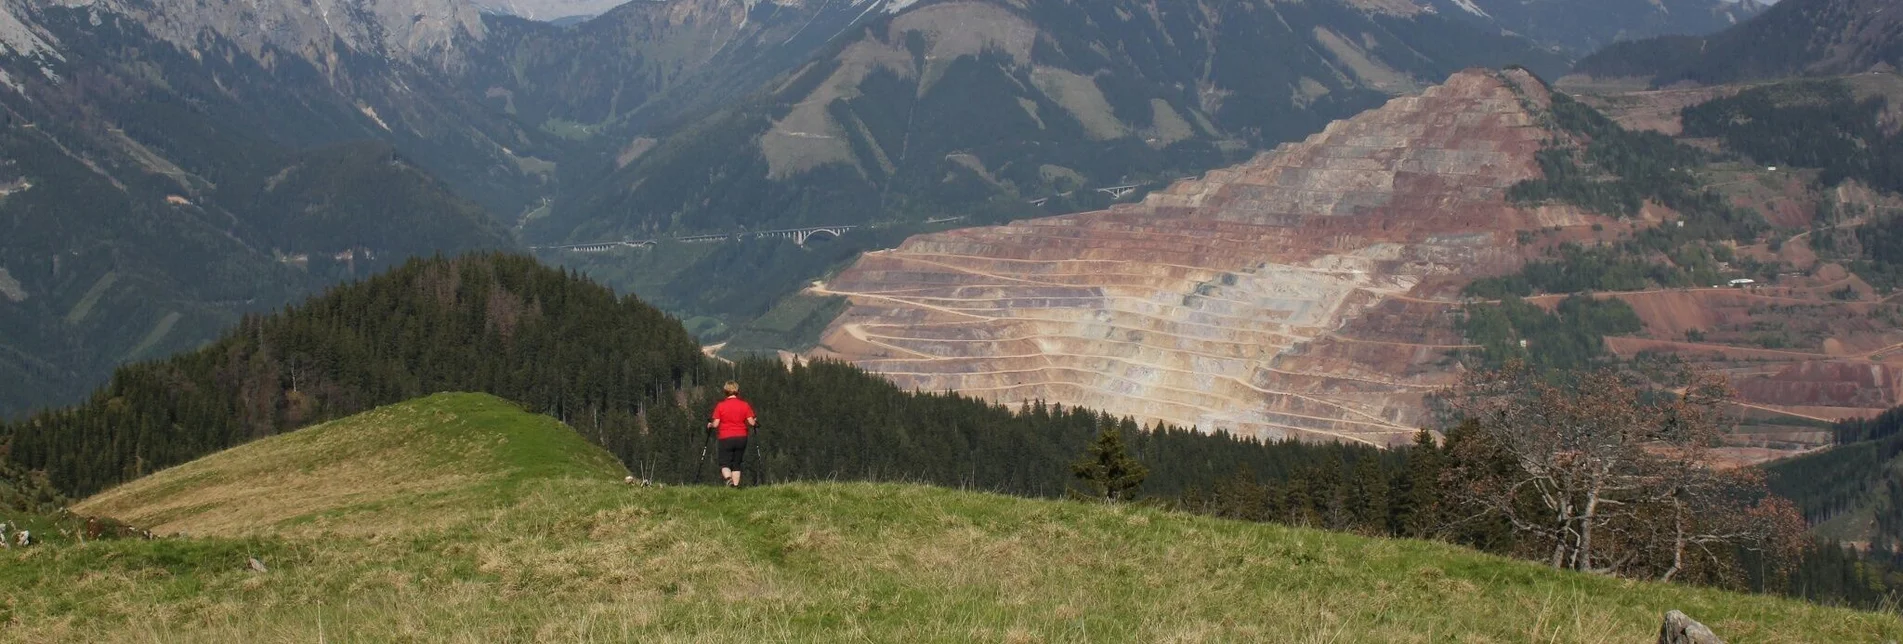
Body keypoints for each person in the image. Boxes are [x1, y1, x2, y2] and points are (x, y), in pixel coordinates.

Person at [706, 381, 758, 488]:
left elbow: (716, 424)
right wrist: (756, 422)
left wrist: (709, 425)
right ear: (737, 391)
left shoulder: (720, 406)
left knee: (724, 463)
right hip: (741, 437)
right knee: (736, 463)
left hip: (726, 437)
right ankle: (735, 487)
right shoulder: (744, 405)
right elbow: (752, 422)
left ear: (725, 391)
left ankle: (729, 480)